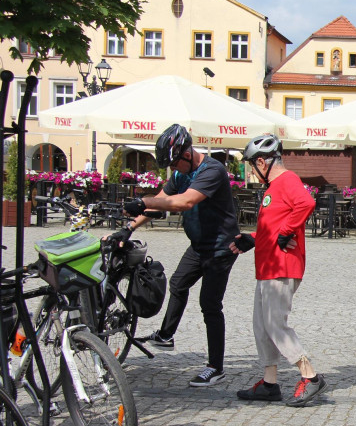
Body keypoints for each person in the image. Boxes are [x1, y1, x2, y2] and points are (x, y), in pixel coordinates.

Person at [121, 124, 239, 387]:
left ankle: (215, 367)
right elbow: (160, 200)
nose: (173, 170)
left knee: (210, 305)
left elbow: (184, 202)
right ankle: (166, 336)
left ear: (187, 153)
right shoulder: (179, 174)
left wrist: (144, 201)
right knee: (177, 284)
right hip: (199, 245)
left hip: (221, 248)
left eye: (174, 163)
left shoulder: (212, 170)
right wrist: (128, 228)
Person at [230, 134, 326, 407]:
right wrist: (253, 238)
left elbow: (306, 204)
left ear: (262, 161)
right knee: (261, 326)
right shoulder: (274, 186)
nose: (251, 171)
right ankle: (269, 384)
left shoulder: (287, 180)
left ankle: (310, 376)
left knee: (275, 324)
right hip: (268, 266)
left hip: (282, 267)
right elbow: (273, 226)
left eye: (251, 165)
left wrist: (286, 232)